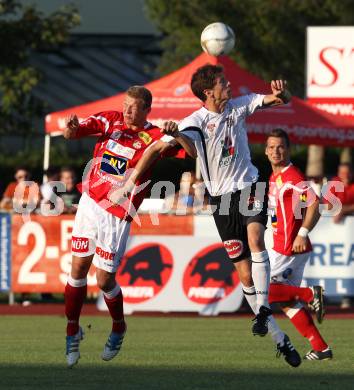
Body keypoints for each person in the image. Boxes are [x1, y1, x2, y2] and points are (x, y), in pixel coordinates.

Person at [124, 65, 301, 367]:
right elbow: (184, 150)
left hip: (249, 186)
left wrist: (282, 93)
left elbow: (279, 99)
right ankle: (279, 339)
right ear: (208, 91)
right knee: (244, 274)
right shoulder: (195, 121)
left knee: (256, 237)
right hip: (220, 200)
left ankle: (262, 311)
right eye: (223, 82)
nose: (229, 84)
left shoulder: (239, 105)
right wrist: (135, 177)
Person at [63, 85, 196, 368]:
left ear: (147, 109)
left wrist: (178, 133)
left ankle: (119, 326)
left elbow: (192, 153)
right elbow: (76, 131)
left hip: (118, 212)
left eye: (133, 107)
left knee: (104, 280)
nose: (127, 110)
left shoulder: (155, 135)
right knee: (77, 270)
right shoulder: (110, 120)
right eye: (125, 104)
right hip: (90, 202)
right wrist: (71, 128)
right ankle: (72, 331)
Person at [265, 128, 332, 361]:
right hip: (283, 246)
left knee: (264, 292)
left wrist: (302, 233)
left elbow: (315, 204)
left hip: (290, 248)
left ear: (289, 149)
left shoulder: (292, 176)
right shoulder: (275, 176)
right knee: (286, 302)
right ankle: (321, 347)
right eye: (272, 147)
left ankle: (310, 293)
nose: (276, 151)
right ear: (265, 151)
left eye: (281, 146)